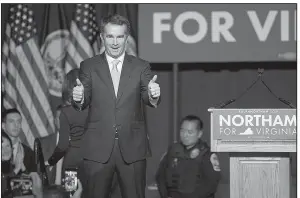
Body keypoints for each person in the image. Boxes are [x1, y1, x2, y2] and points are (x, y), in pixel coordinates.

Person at [72, 14, 161, 198]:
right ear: (102, 37)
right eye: (110, 36)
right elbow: (84, 98)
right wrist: (79, 97)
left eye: (120, 37)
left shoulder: (141, 66)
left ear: (126, 38)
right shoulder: (88, 66)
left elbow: (147, 95)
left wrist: (153, 95)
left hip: (132, 148)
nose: (114, 42)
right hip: (97, 150)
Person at [156, 115, 221, 198]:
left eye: (190, 132)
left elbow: (211, 184)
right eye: (182, 131)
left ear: (199, 134)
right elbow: (160, 176)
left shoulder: (206, 154)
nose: (185, 135)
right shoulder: (173, 150)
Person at [46, 69, 89, 173]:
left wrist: (51, 161)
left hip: (72, 163)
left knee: (72, 190)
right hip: (96, 163)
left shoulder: (65, 112)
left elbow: (63, 145)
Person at [2, 108, 36, 174]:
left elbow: (37, 182)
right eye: (11, 121)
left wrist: (23, 168)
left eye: (18, 122)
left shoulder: (29, 152)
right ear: (3, 126)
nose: (16, 125)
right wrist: (17, 168)